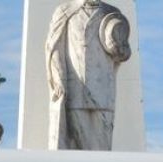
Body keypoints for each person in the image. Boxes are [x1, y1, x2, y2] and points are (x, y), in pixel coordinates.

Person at [46, 0, 132, 150]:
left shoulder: (111, 13)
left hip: (104, 93)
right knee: (77, 149)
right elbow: (55, 48)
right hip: (75, 91)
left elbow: (124, 53)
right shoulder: (65, 12)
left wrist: (118, 47)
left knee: (102, 151)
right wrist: (59, 79)